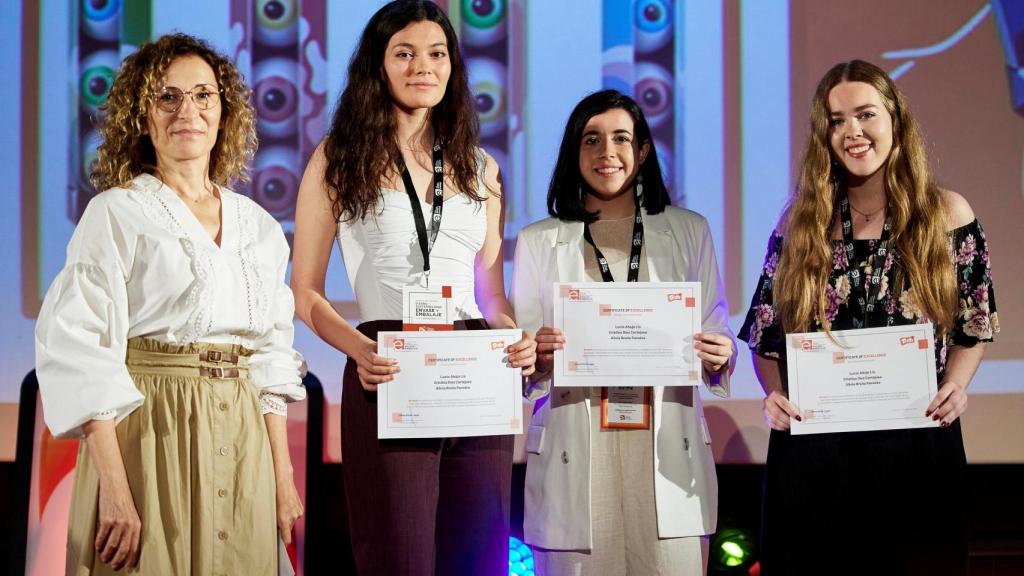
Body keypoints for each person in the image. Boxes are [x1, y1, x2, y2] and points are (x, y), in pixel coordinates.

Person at [34, 33, 306, 574]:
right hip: (150, 432)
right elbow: (82, 350)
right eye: (168, 97)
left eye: (203, 95)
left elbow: (271, 360)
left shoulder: (259, 227)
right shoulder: (117, 213)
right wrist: (114, 487)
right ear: (143, 116)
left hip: (243, 436)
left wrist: (282, 476)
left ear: (223, 112)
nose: (188, 111)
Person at [289, 1, 536, 574]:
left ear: (452, 66)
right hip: (388, 364)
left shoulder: (481, 167)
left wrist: (511, 336)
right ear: (378, 65)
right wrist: (359, 349)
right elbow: (304, 291)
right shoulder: (339, 157)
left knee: (478, 557)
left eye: (436, 53)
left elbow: (491, 295)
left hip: (475, 366)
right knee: (398, 554)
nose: (422, 66)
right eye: (404, 53)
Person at [739, 60, 998, 576]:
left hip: (916, 447)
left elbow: (973, 324)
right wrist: (774, 396)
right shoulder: (800, 223)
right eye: (836, 121)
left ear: (895, 120)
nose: (852, 131)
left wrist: (955, 386)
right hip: (815, 458)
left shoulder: (947, 214)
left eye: (865, 114)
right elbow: (765, 337)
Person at [510, 89, 735, 576]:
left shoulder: (689, 230)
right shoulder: (537, 241)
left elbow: (715, 327)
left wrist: (720, 354)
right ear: (574, 152)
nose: (606, 152)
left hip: (664, 447)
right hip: (577, 443)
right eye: (591, 140)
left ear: (644, 150)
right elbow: (522, 357)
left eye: (621, 139)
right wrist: (536, 358)